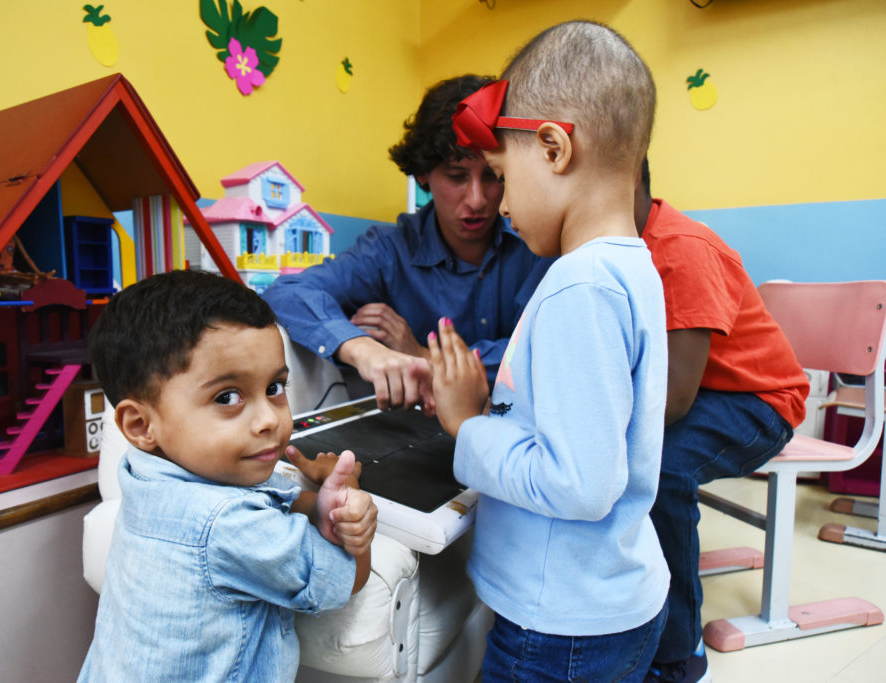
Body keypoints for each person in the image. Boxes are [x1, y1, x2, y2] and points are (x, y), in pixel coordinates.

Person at [423, 21, 669, 682]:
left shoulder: (577, 285)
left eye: (501, 174)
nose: (497, 202)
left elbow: (578, 483)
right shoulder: (631, 266)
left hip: (559, 626)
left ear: (555, 149)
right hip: (607, 600)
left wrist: (466, 424)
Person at [78, 269, 377, 682]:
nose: (268, 420)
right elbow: (346, 581)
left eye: (275, 387)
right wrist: (349, 504)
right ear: (141, 425)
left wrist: (316, 500)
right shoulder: (231, 526)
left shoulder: (143, 473)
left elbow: (260, 502)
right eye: (227, 397)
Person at [262, 74, 553, 410]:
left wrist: (424, 355)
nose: (477, 199)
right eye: (456, 176)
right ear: (423, 175)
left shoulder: (537, 244)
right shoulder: (388, 250)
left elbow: (546, 353)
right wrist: (364, 349)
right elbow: (285, 293)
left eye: (492, 175)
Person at [635, 158, 809, 683]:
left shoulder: (680, 248)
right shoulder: (621, 248)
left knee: (658, 465)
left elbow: (673, 401)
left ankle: (680, 657)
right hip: (715, 394)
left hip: (763, 401)